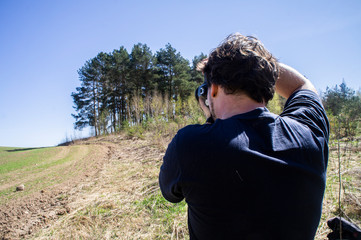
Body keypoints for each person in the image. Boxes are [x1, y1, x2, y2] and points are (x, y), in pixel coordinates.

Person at [159, 33, 329, 240]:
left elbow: (171, 194)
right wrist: (258, 64)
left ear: (212, 90)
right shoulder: (309, 133)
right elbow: (302, 85)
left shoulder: (190, 145)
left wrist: (211, 119)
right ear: (268, 86)